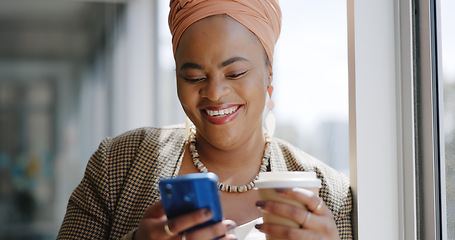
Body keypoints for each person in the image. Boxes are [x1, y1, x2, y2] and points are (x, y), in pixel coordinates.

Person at [57, 0, 352, 239]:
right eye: (194, 77)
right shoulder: (118, 164)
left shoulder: (328, 192)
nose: (214, 92)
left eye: (235, 73)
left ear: (269, 76)